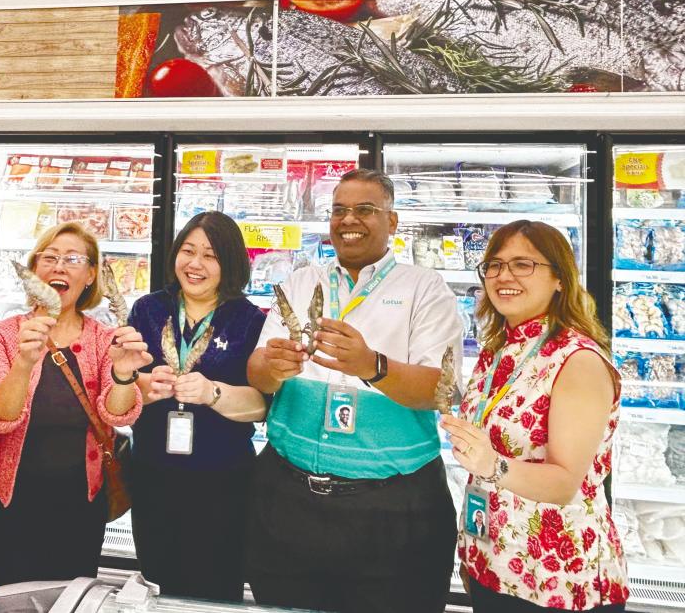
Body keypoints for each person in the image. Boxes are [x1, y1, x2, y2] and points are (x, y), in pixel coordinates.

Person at [246, 168, 462, 613]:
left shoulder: (424, 288)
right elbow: (257, 373)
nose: (349, 220)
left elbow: (441, 389)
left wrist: (373, 367)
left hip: (392, 511)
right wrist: (272, 367)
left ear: (393, 221)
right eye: (339, 210)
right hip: (288, 500)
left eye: (365, 210)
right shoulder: (302, 281)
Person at [441, 220, 628, 612]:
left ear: (560, 278)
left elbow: (563, 483)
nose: (503, 275)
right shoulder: (500, 349)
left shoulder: (578, 361)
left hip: (555, 578)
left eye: (522, 264)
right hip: (491, 561)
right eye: (494, 264)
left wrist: (491, 464)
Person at [0, 222, 150, 585]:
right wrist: (23, 363)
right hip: (9, 502)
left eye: (72, 259)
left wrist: (122, 373)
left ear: (90, 275)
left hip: (80, 503)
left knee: (70, 598)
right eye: (49, 257)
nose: (59, 267)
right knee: (12, 600)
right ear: (34, 272)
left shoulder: (104, 339)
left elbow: (116, 412)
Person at [127, 211, 267, 602]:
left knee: (215, 590)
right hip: (153, 473)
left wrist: (212, 393)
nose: (195, 264)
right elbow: (121, 385)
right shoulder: (148, 310)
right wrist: (146, 384)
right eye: (188, 251)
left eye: (210, 255)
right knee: (158, 583)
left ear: (231, 262)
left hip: (223, 481)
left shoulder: (250, 320)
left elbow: (262, 406)